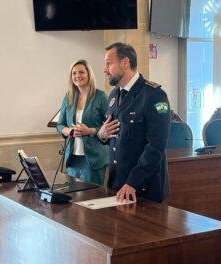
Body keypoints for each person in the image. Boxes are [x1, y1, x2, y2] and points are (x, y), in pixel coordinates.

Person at [98, 42, 171, 203]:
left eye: (109, 64)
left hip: (144, 188)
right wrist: (102, 135)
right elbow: (114, 137)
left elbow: (156, 145)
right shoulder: (114, 95)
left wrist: (133, 182)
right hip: (118, 185)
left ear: (125, 63)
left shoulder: (153, 95)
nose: (105, 69)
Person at [57, 59, 109, 185]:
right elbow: (60, 125)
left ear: (89, 74)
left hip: (93, 158)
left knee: (91, 199)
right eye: (74, 73)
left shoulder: (100, 96)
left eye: (81, 72)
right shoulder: (68, 97)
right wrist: (69, 131)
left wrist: (90, 131)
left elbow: (109, 125)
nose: (77, 76)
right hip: (73, 158)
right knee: (73, 199)